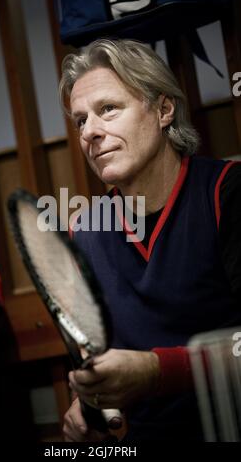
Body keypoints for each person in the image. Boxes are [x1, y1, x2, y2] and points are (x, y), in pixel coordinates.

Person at [59, 38, 241, 442]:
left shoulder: (227, 194)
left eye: (108, 109)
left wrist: (156, 372)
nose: (90, 131)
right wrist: (87, 403)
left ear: (163, 109)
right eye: (80, 121)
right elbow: (94, 363)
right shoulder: (84, 234)